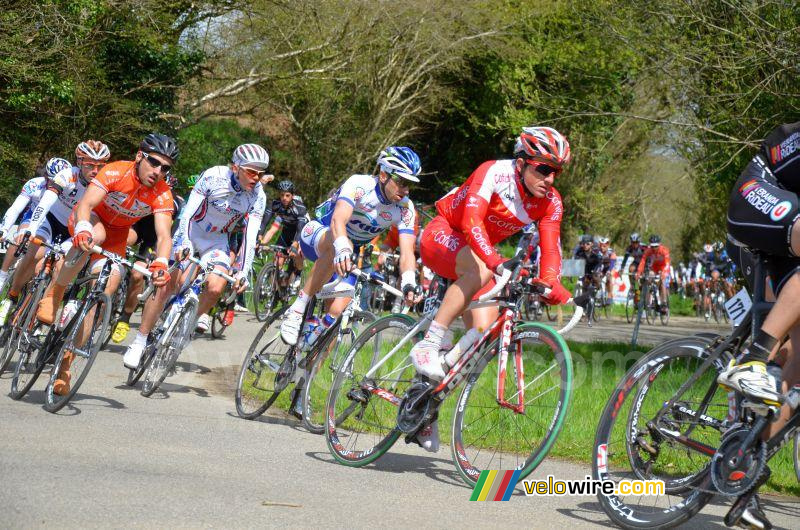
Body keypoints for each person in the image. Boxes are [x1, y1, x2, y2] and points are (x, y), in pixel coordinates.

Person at [409, 126, 573, 452]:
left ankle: (425, 404)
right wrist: (495, 261)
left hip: (476, 256)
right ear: (523, 162)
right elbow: (470, 221)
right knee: (483, 268)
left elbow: (551, 249)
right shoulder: (494, 172)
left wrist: (553, 285)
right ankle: (429, 344)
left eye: (556, 172)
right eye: (543, 168)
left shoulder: (550, 202)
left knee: (483, 334)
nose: (550, 178)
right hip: (443, 234)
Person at [36, 133, 177, 393]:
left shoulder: (162, 193)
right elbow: (87, 202)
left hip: (118, 236)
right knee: (94, 235)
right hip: (90, 218)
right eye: (154, 163)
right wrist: (81, 227)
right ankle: (54, 294)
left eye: (165, 168)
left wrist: (160, 262)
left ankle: (66, 364)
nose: (158, 171)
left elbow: (164, 235)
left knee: (106, 286)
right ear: (139, 157)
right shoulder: (115, 172)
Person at [279, 146, 421, 347]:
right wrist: (343, 247)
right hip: (320, 233)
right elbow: (338, 220)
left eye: (410, 185)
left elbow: (407, 252)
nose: (405, 190)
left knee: (337, 313)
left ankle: (305, 365)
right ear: (383, 174)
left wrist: (408, 280)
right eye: (401, 182)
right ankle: (297, 308)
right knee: (337, 246)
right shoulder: (359, 184)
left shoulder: (405, 209)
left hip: (350, 251)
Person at [159, 143, 267, 343]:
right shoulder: (213, 176)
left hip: (217, 240)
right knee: (177, 282)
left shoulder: (258, 196)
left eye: (261, 174)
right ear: (236, 167)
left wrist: (243, 271)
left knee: (216, 287)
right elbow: (188, 213)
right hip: (193, 230)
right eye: (252, 172)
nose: (257, 178)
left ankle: (187, 323)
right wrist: (183, 241)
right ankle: (160, 314)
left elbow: (250, 237)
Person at [259, 179, 308, 293]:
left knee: (297, 254)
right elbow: (269, 227)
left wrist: (295, 245)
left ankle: (298, 274)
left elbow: (300, 229)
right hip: (286, 233)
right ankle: (276, 288)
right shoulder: (276, 205)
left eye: (287, 195)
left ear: (292, 196)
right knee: (277, 260)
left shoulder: (299, 207)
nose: (284, 198)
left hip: (301, 233)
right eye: (282, 195)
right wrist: (260, 241)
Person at [635, 235, 671, 313]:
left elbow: (667, 263)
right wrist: (638, 272)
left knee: (662, 283)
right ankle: (648, 303)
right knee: (648, 280)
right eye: (652, 246)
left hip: (664, 268)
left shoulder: (664, 250)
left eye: (656, 246)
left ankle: (664, 303)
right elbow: (643, 261)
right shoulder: (648, 250)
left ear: (659, 244)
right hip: (654, 268)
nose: (654, 248)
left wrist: (664, 273)